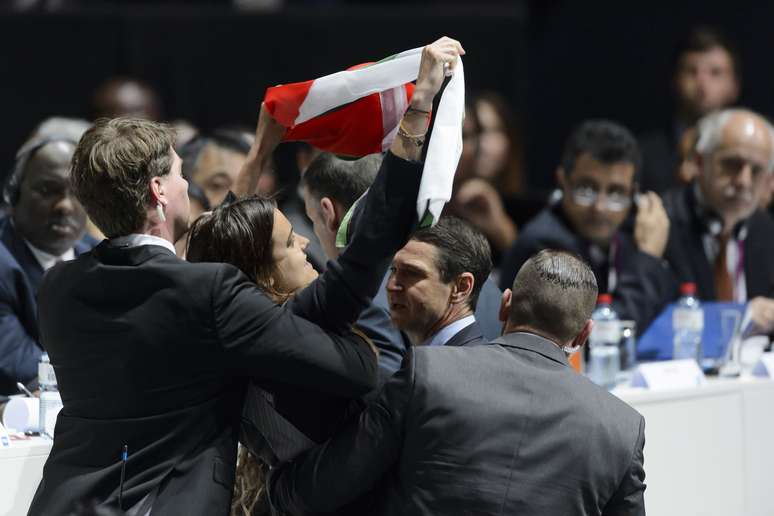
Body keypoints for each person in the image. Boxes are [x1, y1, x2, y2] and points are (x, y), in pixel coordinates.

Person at [28, 36, 464, 516]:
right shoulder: (207, 293)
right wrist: (417, 114)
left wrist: (259, 156)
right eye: (177, 175)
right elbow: (354, 361)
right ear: (157, 190)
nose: (187, 184)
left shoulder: (58, 287)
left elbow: (205, 258)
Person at [268, 249, 646, 516]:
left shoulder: (429, 374)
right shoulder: (622, 427)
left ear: (505, 304)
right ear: (584, 334)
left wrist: (277, 485)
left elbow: (332, 481)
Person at [302, 153, 504, 349]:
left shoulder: (361, 301)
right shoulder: (485, 288)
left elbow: (385, 380)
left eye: (312, 220)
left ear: (329, 213)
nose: (394, 284)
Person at [499, 120, 676, 335]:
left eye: (616, 193)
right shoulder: (546, 246)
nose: (600, 207)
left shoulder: (628, 235)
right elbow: (597, 337)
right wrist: (648, 259)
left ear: (633, 194)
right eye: (586, 189)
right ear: (563, 181)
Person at [663, 108, 774, 334]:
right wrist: (745, 316)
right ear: (699, 162)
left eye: (756, 170)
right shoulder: (661, 224)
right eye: (732, 164)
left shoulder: (766, 229)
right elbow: (652, 324)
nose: (744, 181)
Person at [0, 131, 95, 394]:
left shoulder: (103, 256)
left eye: (77, 192)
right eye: (47, 190)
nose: (64, 205)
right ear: (13, 196)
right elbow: (20, 366)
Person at [639, 26, 740, 194]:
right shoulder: (643, 154)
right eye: (691, 72)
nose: (702, 84)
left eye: (715, 73)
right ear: (675, 80)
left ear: (734, 86)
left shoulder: (754, 156)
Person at [386, 216, 492, 347]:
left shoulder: (471, 364)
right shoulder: (422, 358)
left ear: (461, 287)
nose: (391, 285)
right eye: (393, 269)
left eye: (412, 273)